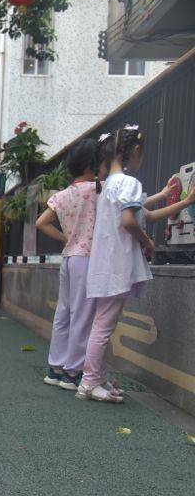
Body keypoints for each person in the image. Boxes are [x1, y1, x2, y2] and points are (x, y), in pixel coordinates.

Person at [79, 126, 195, 403]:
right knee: (104, 325)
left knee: (102, 323)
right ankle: (88, 383)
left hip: (105, 264)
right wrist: (147, 242)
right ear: (135, 151)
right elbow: (131, 221)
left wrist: (179, 199)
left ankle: (97, 378)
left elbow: (144, 212)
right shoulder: (129, 183)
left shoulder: (110, 184)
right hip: (117, 265)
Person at [35, 139, 100, 391]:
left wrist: (66, 238)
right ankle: (72, 373)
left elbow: (41, 222)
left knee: (64, 312)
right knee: (83, 315)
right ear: (92, 164)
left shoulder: (62, 195)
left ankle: (56, 367)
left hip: (69, 255)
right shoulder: (98, 190)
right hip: (87, 257)